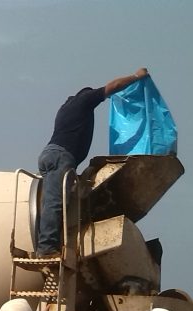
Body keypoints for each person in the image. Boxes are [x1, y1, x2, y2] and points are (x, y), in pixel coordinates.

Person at [36, 68, 149, 258]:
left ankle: (51, 243)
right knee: (55, 203)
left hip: (51, 154)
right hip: (61, 156)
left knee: (53, 202)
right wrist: (137, 77)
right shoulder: (84, 100)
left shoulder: (65, 108)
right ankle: (46, 249)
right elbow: (113, 87)